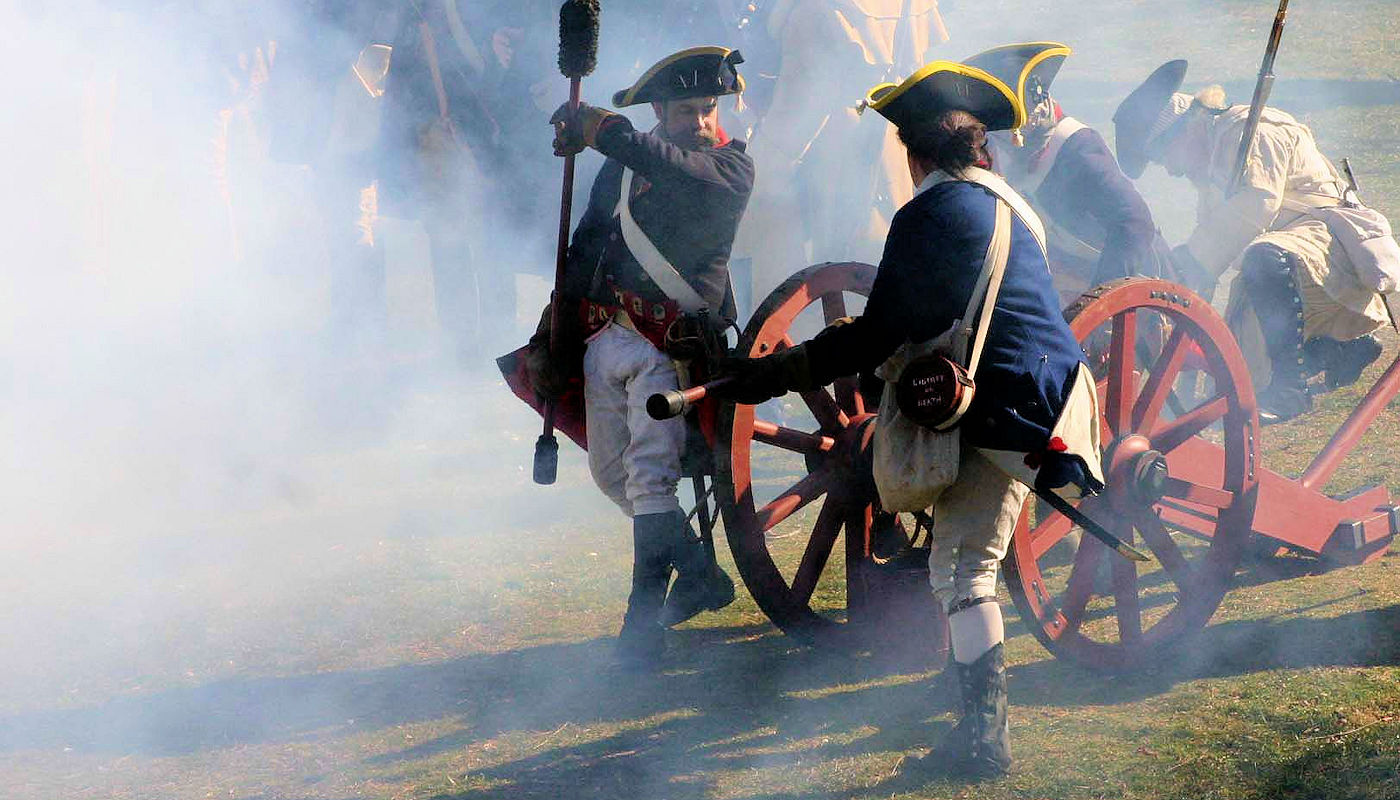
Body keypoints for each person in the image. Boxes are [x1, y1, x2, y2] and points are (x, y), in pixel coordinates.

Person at [715, 62, 1103, 780]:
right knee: (965, 565)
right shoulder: (1012, 206)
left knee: (963, 570)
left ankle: (984, 743)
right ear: (977, 148)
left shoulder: (927, 214)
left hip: (1003, 413)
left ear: (914, 153)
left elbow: (877, 335)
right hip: (1046, 400)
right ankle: (972, 712)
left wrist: (770, 373)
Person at [527, 47, 754, 668]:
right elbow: (586, 246)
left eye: (709, 109)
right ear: (660, 110)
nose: (704, 122)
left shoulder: (730, 169)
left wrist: (604, 130)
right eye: (689, 111)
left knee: (650, 480)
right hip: (607, 337)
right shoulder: (624, 168)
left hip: (671, 348)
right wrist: (555, 329)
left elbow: (676, 168)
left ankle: (641, 624)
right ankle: (699, 571)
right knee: (611, 475)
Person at [1114, 60, 1390, 423]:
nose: (1172, 170)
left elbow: (1257, 205)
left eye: (1165, 157)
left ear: (1187, 128)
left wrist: (1190, 262)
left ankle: (1289, 387)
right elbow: (1215, 244)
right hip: (1286, 264)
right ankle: (1333, 351)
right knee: (1240, 362)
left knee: (1263, 258)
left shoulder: (1253, 130)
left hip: (1326, 248)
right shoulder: (1214, 168)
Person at [733, 0, 951, 309]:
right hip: (897, 165)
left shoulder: (816, 11)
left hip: (833, 183)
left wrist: (746, 181)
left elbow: (793, 125)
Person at [962, 42, 1172, 303]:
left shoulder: (1079, 148)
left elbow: (1134, 223)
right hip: (1071, 279)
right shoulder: (1009, 151)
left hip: (1135, 283)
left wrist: (1098, 304)